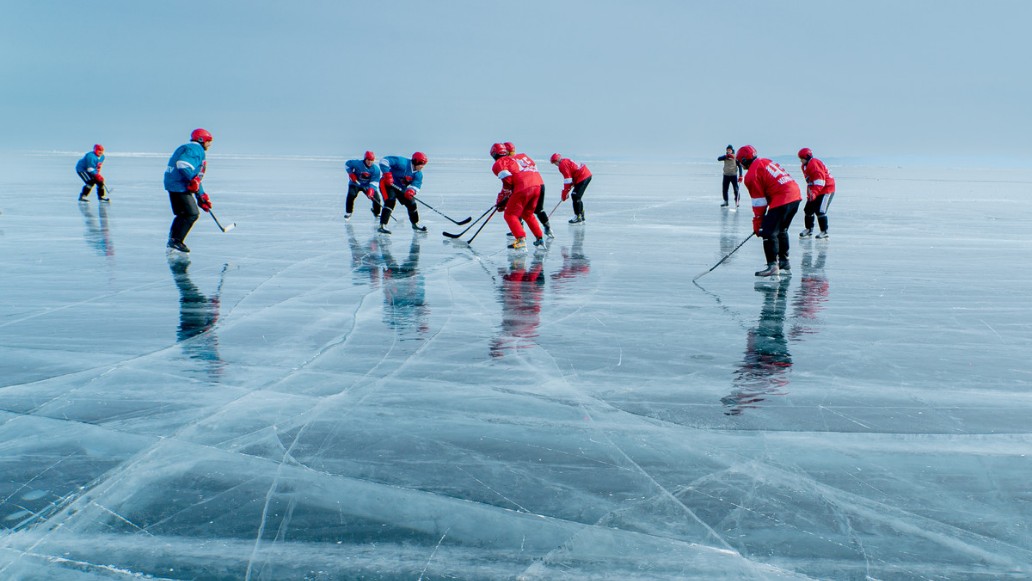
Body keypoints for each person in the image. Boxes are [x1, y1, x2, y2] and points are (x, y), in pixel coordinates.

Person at [738, 144, 802, 277]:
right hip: (795, 196)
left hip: (782, 198)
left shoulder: (751, 175)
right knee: (781, 230)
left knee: (768, 232)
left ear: (744, 160)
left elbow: (759, 203)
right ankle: (784, 261)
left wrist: (758, 223)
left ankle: (772, 266)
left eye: (740, 162)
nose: (740, 166)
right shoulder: (765, 161)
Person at [163, 128, 214, 253]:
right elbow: (183, 165)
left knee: (182, 214)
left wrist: (201, 196)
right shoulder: (196, 149)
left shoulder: (186, 147)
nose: (210, 144)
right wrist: (193, 181)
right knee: (191, 214)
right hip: (179, 186)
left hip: (173, 184)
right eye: (208, 141)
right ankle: (176, 241)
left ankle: (173, 240)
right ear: (201, 140)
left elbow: (195, 178)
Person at [491, 143, 545, 250]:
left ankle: (521, 240)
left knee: (509, 214)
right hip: (537, 186)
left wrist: (501, 201)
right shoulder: (517, 158)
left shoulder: (499, 163)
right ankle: (540, 238)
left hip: (524, 187)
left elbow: (508, 183)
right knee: (527, 214)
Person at [506, 142, 554, 238]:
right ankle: (547, 227)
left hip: (527, 185)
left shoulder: (511, 160)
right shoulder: (523, 157)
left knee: (518, 208)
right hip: (539, 183)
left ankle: (519, 229)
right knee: (538, 209)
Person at [377, 152, 428, 234]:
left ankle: (415, 224)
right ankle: (382, 225)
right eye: (421, 164)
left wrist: (411, 191)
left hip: (400, 188)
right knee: (390, 201)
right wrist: (387, 175)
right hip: (387, 184)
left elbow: (416, 185)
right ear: (415, 162)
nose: (422, 166)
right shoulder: (402, 162)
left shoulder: (418, 174)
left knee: (412, 203)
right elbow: (384, 161)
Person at [797, 147, 836, 239]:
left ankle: (824, 231)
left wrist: (814, 193)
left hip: (826, 189)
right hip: (816, 190)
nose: (801, 161)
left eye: (802, 158)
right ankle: (808, 229)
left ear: (806, 157)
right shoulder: (804, 166)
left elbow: (820, 182)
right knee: (808, 210)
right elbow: (810, 181)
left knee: (820, 211)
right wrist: (810, 194)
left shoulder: (814, 164)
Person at [549, 153, 592, 224]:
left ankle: (578, 216)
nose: (555, 164)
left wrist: (565, 192)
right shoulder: (565, 161)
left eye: (554, 163)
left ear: (556, 161)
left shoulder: (562, 165)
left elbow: (567, 180)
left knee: (575, 196)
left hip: (583, 176)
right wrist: (568, 189)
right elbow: (572, 175)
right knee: (576, 196)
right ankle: (581, 214)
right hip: (584, 175)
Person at [345, 150, 383, 221]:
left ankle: (377, 213)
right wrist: (351, 174)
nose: (370, 162)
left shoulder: (376, 169)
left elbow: (374, 181)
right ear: (365, 159)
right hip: (355, 183)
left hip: (367, 186)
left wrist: (371, 190)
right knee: (351, 195)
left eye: (372, 160)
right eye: (368, 160)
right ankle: (348, 212)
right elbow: (347, 164)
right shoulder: (357, 163)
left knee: (376, 199)